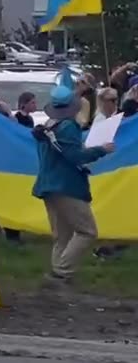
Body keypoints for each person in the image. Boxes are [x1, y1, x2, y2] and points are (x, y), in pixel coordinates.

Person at [32, 83, 113, 282]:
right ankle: (61, 271)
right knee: (87, 231)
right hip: (66, 185)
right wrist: (101, 150)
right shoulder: (68, 126)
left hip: (48, 184)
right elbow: (75, 156)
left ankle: (57, 277)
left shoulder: (50, 124)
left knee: (63, 235)